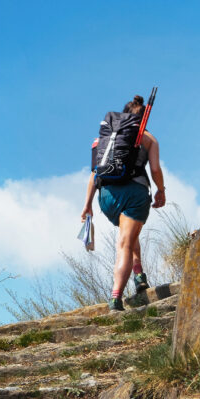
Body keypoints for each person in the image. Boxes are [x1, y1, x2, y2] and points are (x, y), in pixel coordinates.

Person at [80, 95, 167, 311]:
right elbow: (155, 169)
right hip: (134, 193)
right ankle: (116, 296)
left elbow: (94, 173)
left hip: (106, 197)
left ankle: (139, 276)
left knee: (128, 235)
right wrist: (161, 190)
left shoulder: (103, 139)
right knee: (125, 244)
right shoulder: (148, 138)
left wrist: (88, 204)